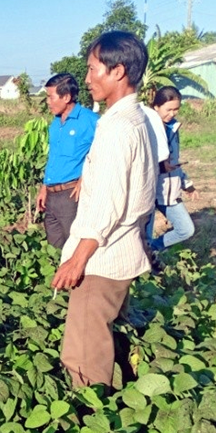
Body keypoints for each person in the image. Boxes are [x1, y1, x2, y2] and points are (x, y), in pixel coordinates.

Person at [51, 31, 157, 388]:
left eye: (92, 68)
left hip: (102, 260)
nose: (86, 78)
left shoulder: (117, 129)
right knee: (106, 339)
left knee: (82, 357)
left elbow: (107, 206)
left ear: (118, 71)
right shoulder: (137, 119)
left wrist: (77, 260)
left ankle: (93, 431)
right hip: (122, 252)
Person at [35, 73, 100, 249]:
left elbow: (104, 154)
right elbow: (53, 157)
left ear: (66, 97)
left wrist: (85, 179)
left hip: (71, 196)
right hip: (51, 196)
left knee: (74, 248)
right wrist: (44, 187)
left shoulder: (91, 121)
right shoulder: (55, 123)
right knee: (54, 249)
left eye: (50, 97)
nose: (48, 102)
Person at [146, 86, 196, 254]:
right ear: (156, 107)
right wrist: (160, 166)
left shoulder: (173, 128)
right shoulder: (146, 128)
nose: (173, 113)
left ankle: (154, 248)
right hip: (149, 191)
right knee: (144, 235)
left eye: (176, 109)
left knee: (186, 229)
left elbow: (175, 160)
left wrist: (186, 183)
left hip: (170, 191)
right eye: (169, 109)